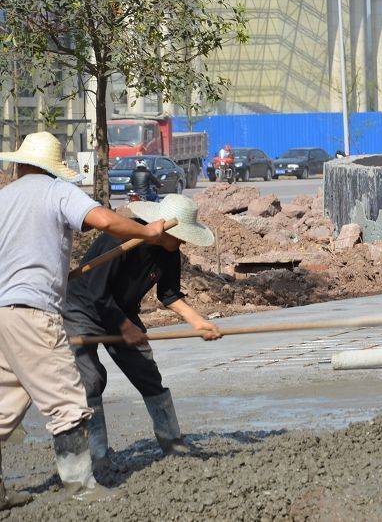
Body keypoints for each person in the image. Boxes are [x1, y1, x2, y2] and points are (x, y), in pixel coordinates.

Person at [0, 132, 165, 508]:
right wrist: (146, 230)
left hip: (2, 313)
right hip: (33, 312)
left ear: (19, 162)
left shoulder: (4, 197)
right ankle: (81, 487)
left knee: (4, 406)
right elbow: (103, 219)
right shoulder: (55, 191)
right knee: (67, 401)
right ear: (52, 168)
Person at [64, 194, 222, 470]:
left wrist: (198, 322)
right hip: (81, 308)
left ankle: (172, 441)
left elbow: (169, 295)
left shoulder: (169, 253)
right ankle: (97, 455)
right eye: (181, 236)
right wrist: (125, 328)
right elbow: (97, 292)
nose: (183, 243)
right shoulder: (120, 240)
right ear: (165, 229)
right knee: (91, 379)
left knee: (147, 373)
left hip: (121, 309)